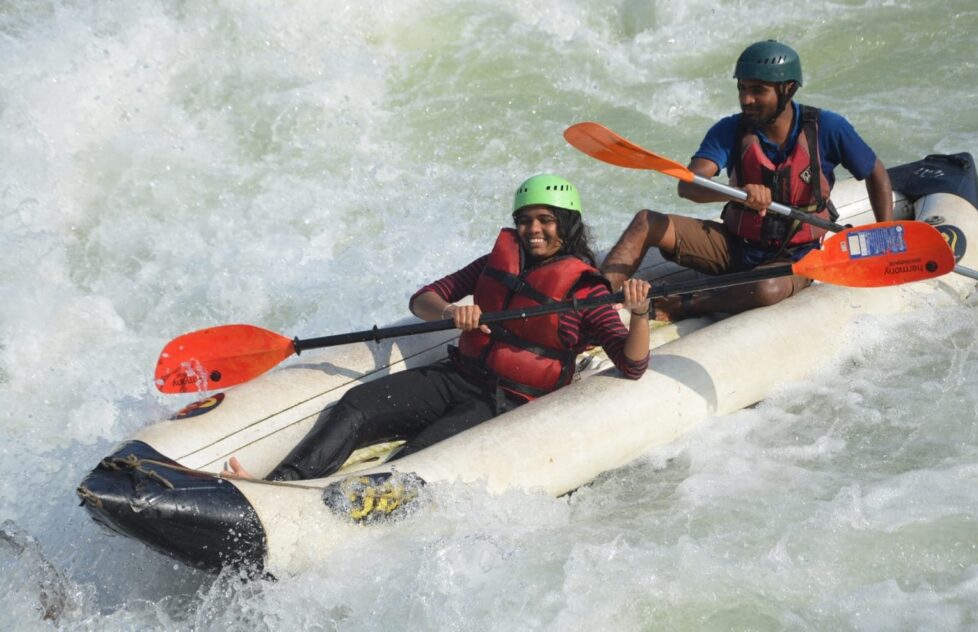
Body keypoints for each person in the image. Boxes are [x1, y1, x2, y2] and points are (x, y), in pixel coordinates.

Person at [226, 174, 651, 482]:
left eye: (545, 219)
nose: (533, 230)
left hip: (507, 403)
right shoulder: (496, 262)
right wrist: (450, 312)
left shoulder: (585, 290)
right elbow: (423, 298)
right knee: (357, 405)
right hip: (458, 377)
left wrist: (640, 313)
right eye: (524, 220)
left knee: (414, 458)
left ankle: (320, 508)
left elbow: (631, 365)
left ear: (567, 223)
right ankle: (281, 485)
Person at [600, 40, 893, 319]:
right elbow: (688, 185)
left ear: (787, 89)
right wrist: (737, 193)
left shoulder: (828, 128)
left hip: (794, 257)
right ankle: (594, 302)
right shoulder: (730, 130)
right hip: (734, 245)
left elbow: (875, 172)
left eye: (757, 90)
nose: (746, 99)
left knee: (767, 288)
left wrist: (885, 232)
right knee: (646, 222)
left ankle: (685, 304)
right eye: (742, 88)